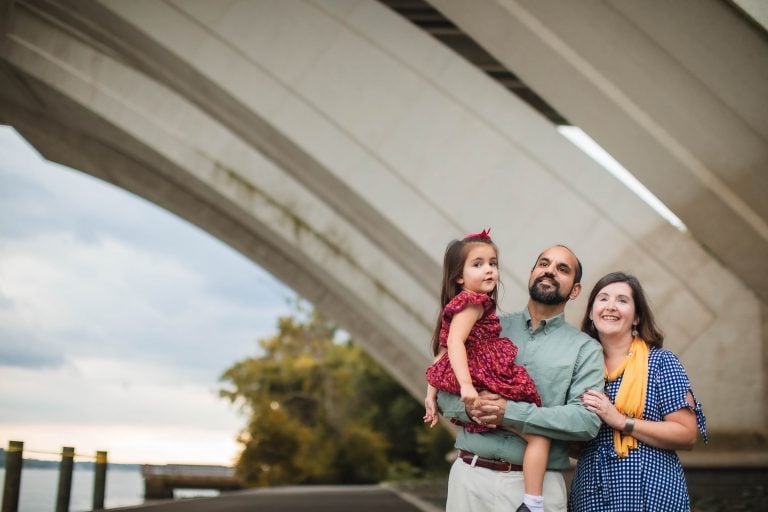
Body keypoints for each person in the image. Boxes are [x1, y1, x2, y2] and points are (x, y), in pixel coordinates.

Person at [438, 245, 605, 512]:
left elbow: (585, 421)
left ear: (575, 290)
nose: (550, 271)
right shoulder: (487, 327)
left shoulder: (585, 349)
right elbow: (444, 394)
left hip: (537, 488)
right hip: (470, 478)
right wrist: (479, 408)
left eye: (562, 269)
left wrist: (510, 413)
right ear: (531, 273)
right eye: (544, 264)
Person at [424, 230, 550, 512]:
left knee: (522, 429)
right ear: (459, 276)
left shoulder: (461, 303)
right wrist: (467, 386)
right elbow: (453, 344)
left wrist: (430, 394)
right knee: (538, 436)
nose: (489, 270)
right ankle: (533, 502)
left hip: (480, 376)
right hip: (485, 377)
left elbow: (440, 356)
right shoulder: (473, 303)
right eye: (478, 264)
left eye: (492, 263)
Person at [570, 272, 707, 511]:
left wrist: (622, 421)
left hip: (652, 492)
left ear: (636, 317)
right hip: (592, 492)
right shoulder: (578, 369)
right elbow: (574, 443)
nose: (610, 306)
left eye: (622, 300)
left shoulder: (662, 363)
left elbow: (687, 434)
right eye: (602, 299)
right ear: (591, 313)